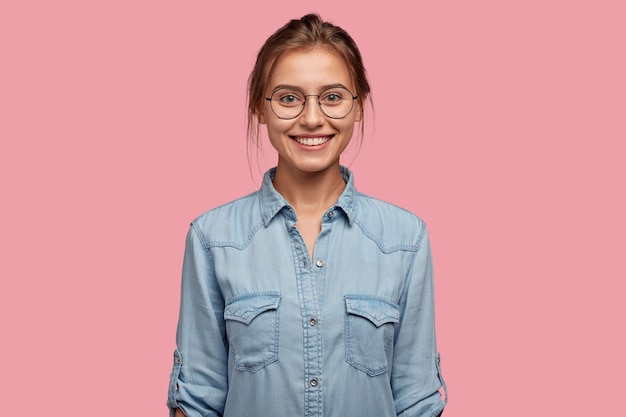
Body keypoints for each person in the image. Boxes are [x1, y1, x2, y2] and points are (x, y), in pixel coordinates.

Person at [167, 13, 447, 417]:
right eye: (288, 98)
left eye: (332, 97)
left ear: (358, 107)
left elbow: (416, 400)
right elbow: (197, 400)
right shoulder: (212, 238)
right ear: (259, 109)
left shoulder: (405, 239)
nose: (312, 118)